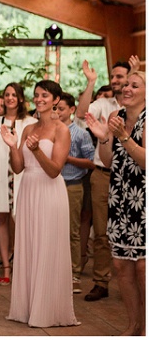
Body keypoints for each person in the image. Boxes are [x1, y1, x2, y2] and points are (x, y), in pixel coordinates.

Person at [2, 80, 78, 328]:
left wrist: (36, 151)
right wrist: (13, 147)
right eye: (36, 95)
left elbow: (55, 170)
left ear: (56, 100)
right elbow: (18, 168)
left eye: (45, 95)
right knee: (29, 245)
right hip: (28, 190)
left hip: (49, 193)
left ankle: (47, 310)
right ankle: (26, 308)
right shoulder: (28, 128)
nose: (39, 99)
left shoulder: (61, 130)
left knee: (47, 247)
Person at [86, 70, 145, 336]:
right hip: (120, 198)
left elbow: (145, 161)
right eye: (126, 84)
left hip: (143, 201)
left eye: (135, 85)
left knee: (143, 267)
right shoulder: (116, 117)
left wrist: (123, 137)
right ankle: (133, 325)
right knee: (121, 265)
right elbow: (109, 160)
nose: (127, 88)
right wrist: (103, 137)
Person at [74, 57, 137, 301]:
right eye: (113, 77)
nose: (115, 80)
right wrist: (91, 82)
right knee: (101, 232)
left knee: (132, 231)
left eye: (120, 76)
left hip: (134, 177)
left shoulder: (141, 107)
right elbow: (80, 114)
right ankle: (101, 281)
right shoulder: (104, 104)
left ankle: (133, 285)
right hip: (102, 174)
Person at [0, 83, 36, 286]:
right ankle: (6, 267)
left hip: (22, 176)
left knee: (22, 220)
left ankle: (22, 264)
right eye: (7, 94)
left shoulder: (30, 122)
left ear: (20, 98)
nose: (10, 98)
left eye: (13, 95)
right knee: (1, 219)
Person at [55, 93, 95, 294]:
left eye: (61, 108)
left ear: (72, 110)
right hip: (51, 185)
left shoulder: (80, 134)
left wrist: (67, 158)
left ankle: (74, 273)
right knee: (53, 229)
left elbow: (91, 162)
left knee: (72, 230)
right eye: (55, 108)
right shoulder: (50, 131)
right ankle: (55, 271)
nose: (57, 112)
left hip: (72, 185)